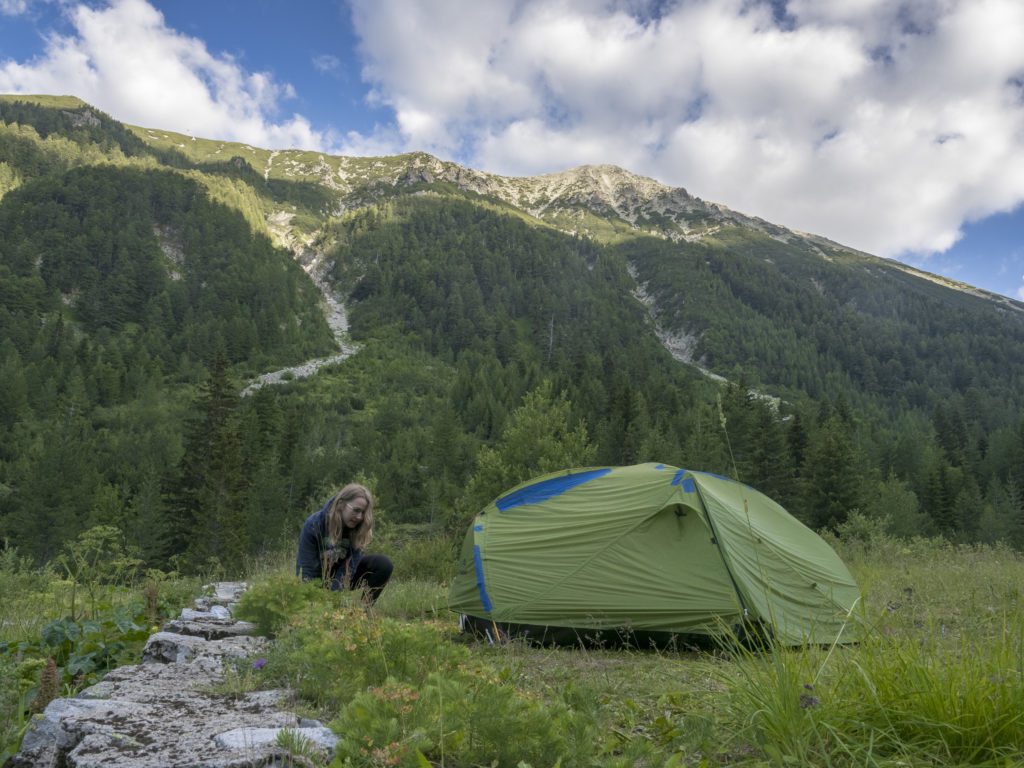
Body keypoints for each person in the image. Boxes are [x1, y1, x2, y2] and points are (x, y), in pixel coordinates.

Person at [295, 483, 393, 604]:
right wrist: (316, 600)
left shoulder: (357, 528)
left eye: (363, 512)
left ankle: (363, 612)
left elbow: (349, 567)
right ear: (341, 504)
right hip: (317, 578)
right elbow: (308, 569)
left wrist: (334, 594)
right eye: (356, 510)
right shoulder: (314, 524)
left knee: (383, 564)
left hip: (343, 576)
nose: (359, 517)